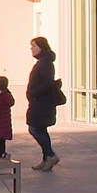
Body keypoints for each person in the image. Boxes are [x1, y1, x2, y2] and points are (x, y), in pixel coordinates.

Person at [26, 36, 59, 171]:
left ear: (42, 47)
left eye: (34, 46)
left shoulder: (45, 63)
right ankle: (46, 160)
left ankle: (51, 155)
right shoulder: (42, 61)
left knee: (34, 128)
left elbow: (48, 82)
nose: (32, 49)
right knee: (41, 130)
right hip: (38, 102)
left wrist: (34, 93)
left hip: (42, 103)